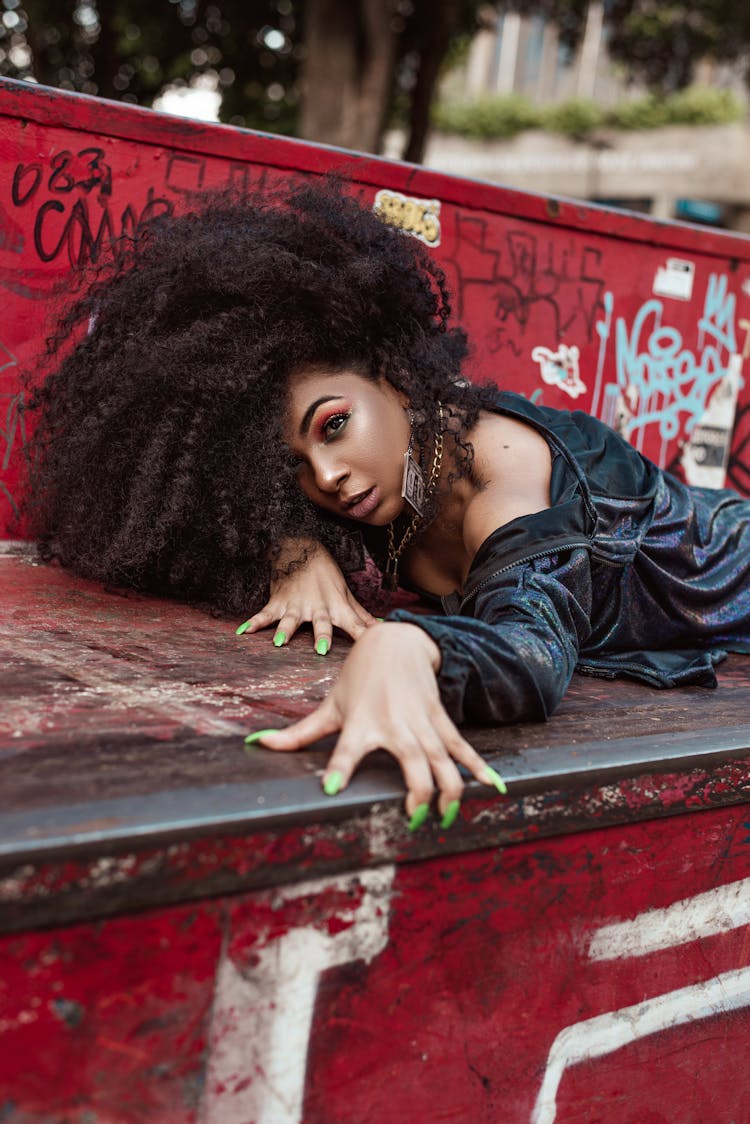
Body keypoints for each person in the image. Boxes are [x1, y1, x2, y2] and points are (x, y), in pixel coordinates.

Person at [26, 178, 750, 829]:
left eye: (333, 425)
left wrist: (406, 647)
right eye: (294, 470)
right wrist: (291, 545)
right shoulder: (396, 464)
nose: (330, 477)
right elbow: (193, 526)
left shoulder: (502, 477)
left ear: (390, 370)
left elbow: (534, 652)